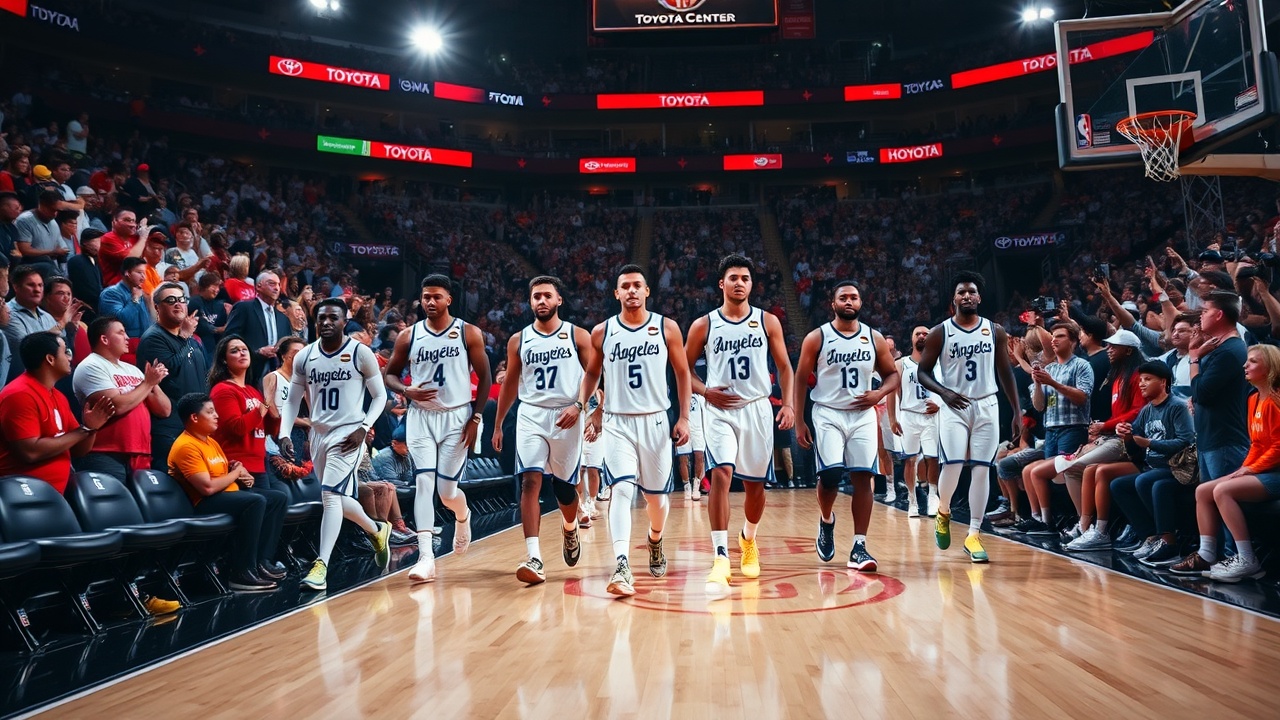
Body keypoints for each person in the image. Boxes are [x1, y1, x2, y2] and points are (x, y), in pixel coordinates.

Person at [577, 264, 691, 598]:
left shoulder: (666, 327)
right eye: (625, 286)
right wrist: (587, 407)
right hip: (618, 422)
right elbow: (593, 374)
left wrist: (684, 417)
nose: (631, 290)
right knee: (622, 490)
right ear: (616, 293)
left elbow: (682, 373)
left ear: (646, 291)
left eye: (637, 285)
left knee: (656, 499)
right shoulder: (603, 331)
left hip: (655, 420)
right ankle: (622, 563)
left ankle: (655, 538)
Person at [683, 255, 794, 595]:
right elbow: (683, 369)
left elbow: (785, 367)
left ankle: (748, 539)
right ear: (722, 283)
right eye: (733, 278)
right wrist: (705, 392)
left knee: (755, 488)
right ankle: (720, 557)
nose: (739, 283)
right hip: (719, 410)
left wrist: (788, 403)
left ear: (751, 284)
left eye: (745, 278)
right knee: (721, 474)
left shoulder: (767, 321)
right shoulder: (704, 324)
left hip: (757, 408)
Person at [383, 275, 492, 584]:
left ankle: (462, 515)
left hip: (457, 417)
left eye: (436, 297)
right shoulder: (409, 335)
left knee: (447, 493)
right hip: (421, 416)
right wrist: (406, 391)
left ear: (448, 300)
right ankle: (426, 557)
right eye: (426, 297)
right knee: (423, 482)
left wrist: (476, 418)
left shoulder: (468, 333)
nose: (430, 302)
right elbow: (390, 374)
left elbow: (485, 377)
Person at [278, 299, 392, 592]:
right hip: (318, 434)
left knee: (330, 495)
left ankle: (321, 566)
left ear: (344, 322)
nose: (327, 322)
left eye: (333, 318)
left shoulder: (360, 352)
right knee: (337, 498)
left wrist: (364, 427)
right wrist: (284, 433)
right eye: (322, 318)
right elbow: (292, 400)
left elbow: (380, 396)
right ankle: (376, 529)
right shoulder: (305, 356)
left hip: (348, 433)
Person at [794, 280, 899, 572]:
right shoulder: (817, 337)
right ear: (833, 304)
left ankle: (859, 546)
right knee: (830, 475)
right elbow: (801, 377)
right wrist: (800, 420)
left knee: (863, 477)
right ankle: (826, 520)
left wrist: (879, 393)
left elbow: (892, 375)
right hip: (828, 412)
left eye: (854, 297)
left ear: (861, 303)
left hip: (863, 414)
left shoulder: (874, 338)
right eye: (843, 298)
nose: (849, 301)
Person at [917, 271, 1022, 563]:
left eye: (971, 292)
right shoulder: (940, 332)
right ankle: (944, 510)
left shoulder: (995, 330)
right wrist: (944, 393)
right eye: (961, 292)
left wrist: (1017, 410)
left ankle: (974, 534)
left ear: (979, 297)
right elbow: (923, 372)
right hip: (955, 405)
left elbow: (1005, 371)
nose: (966, 296)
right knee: (952, 465)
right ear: (954, 299)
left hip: (987, 403)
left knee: (981, 469)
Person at [491, 276, 590, 585]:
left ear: (559, 300)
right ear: (530, 302)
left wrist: (581, 407)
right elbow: (509, 384)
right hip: (531, 413)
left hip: (566, 413)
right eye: (536, 297)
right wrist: (498, 424)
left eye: (547, 295)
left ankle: (570, 527)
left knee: (564, 487)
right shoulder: (518, 340)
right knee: (530, 481)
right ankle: (534, 557)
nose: (542, 301)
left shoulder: (577, 335)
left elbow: (595, 376)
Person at [1171, 345, 1280, 581]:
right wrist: (1243, 469)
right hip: (1264, 470)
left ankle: (1247, 559)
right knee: (1203, 491)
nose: (1245, 365)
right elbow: (1257, 444)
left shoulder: (1275, 401)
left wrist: (1250, 469)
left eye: (1253, 361)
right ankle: (1207, 554)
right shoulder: (1253, 399)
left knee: (1223, 490)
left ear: (1270, 367)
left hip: (1276, 473)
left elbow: (1278, 447)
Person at [1072, 361, 1192, 553]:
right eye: (1141, 379)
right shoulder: (1147, 410)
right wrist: (1126, 435)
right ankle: (1149, 536)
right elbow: (1134, 448)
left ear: (1163, 382)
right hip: (1150, 466)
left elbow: (1185, 442)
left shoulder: (1177, 407)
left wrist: (1149, 443)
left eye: (1147, 379)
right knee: (1118, 485)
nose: (1141, 383)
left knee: (1145, 481)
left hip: (1174, 467)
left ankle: (1167, 540)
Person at [167, 393, 280, 592]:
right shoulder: (186, 445)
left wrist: (240, 473)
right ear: (194, 417)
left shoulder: (211, 442)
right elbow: (207, 487)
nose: (217, 415)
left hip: (224, 495)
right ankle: (241, 572)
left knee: (277, 498)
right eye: (210, 412)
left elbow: (220, 472)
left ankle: (262, 562)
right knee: (255, 501)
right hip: (201, 502)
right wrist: (236, 473)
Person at [208, 335, 289, 581]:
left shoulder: (252, 390)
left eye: (244, 349)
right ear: (224, 359)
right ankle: (243, 568)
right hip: (237, 464)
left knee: (276, 503)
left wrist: (273, 411)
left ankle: (263, 561)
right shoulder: (223, 390)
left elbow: (269, 430)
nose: (242, 353)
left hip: (258, 462)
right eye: (234, 350)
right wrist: (263, 407)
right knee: (253, 515)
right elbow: (236, 427)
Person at [0, 333, 114, 493]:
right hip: (24, 495)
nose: (70, 357)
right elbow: (30, 452)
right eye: (65, 352)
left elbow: (78, 450)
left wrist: (91, 428)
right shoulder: (19, 394)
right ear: (50, 359)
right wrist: (84, 430)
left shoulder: (58, 396)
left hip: (54, 494)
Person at [1014, 321, 1094, 534]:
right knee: (1052, 478)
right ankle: (1048, 519)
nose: (1054, 340)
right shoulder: (1049, 369)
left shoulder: (1081, 365)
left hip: (1073, 428)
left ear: (1074, 341)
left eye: (1060, 336)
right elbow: (1039, 406)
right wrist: (1038, 383)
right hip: (1051, 430)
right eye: (1053, 336)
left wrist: (1053, 383)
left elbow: (1082, 397)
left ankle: (1075, 520)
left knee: (1065, 476)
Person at [72, 316, 170, 479]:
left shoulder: (132, 369)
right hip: (106, 452)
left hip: (141, 452)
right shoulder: (91, 365)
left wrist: (153, 382)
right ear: (104, 339)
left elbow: (164, 410)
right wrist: (147, 383)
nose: (127, 337)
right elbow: (117, 406)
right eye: (121, 333)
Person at [136, 281, 206, 468]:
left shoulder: (192, 339)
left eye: (182, 299)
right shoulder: (153, 338)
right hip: (171, 426)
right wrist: (184, 337)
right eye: (170, 300)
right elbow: (168, 370)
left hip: (195, 423)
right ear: (157, 307)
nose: (178, 304)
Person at [888, 325, 942, 518]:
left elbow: (948, 389)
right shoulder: (901, 364)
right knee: (910, 460)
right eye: (917, 334)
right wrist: (892, 418)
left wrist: (940, 405)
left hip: (931, 416)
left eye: (925, 334)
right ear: (912, 339)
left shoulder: (939, 363)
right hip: (909, 416)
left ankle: (933, 496)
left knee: (932, 458)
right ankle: (912, 500)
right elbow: (890, 392)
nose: (921, 336)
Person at [224, 270, 290, 386]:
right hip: (250, 372)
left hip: (277, 375)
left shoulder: (283, 319)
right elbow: (229, 339)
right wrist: (257, 352)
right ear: (259, 286)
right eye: (272, 283)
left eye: (278, 284)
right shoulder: (244, 308)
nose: (277, 288)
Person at [4, 265, 62, 381]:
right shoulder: (6, 314)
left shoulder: (47, 316)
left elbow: (62, 348)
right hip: (21, 381)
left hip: (48, 380)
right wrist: (63, 322)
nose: (37, 290)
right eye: (31, 285)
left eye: (40, 285)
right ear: (16, 287)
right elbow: (30, 347)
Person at [98, 257, 154, 352]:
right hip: (124, 348)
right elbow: (120, 321)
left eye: (144, 273)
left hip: (145, 346)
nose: (143, 277)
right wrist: (135, 300)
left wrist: (150, 303)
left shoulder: (140, 292)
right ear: (127, 273)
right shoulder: (111, 293)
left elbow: (150, 322)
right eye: (139, 272)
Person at [188, 272, 229, 363]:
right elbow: (202, 325)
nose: (217, 290)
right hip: (202, 345)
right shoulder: (195, 301)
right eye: (214, 286)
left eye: (218, 287)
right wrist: (219, 329)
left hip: (217, 345)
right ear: (204, 286)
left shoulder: (219, 304)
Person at [676, 392, 706, 501]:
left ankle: (696, 487)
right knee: (683, 458)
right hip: (683, 428)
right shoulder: (680, 393)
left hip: (698, 430)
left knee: (699, 456)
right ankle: (687, 487)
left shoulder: (700, 396)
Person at [67, 228, 103, 313]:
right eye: (97, 241)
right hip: (85, 309)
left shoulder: (96, 262)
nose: (100, 245)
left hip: (97, 306)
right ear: (85, 243)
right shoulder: (77, 261)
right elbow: (88, 290)